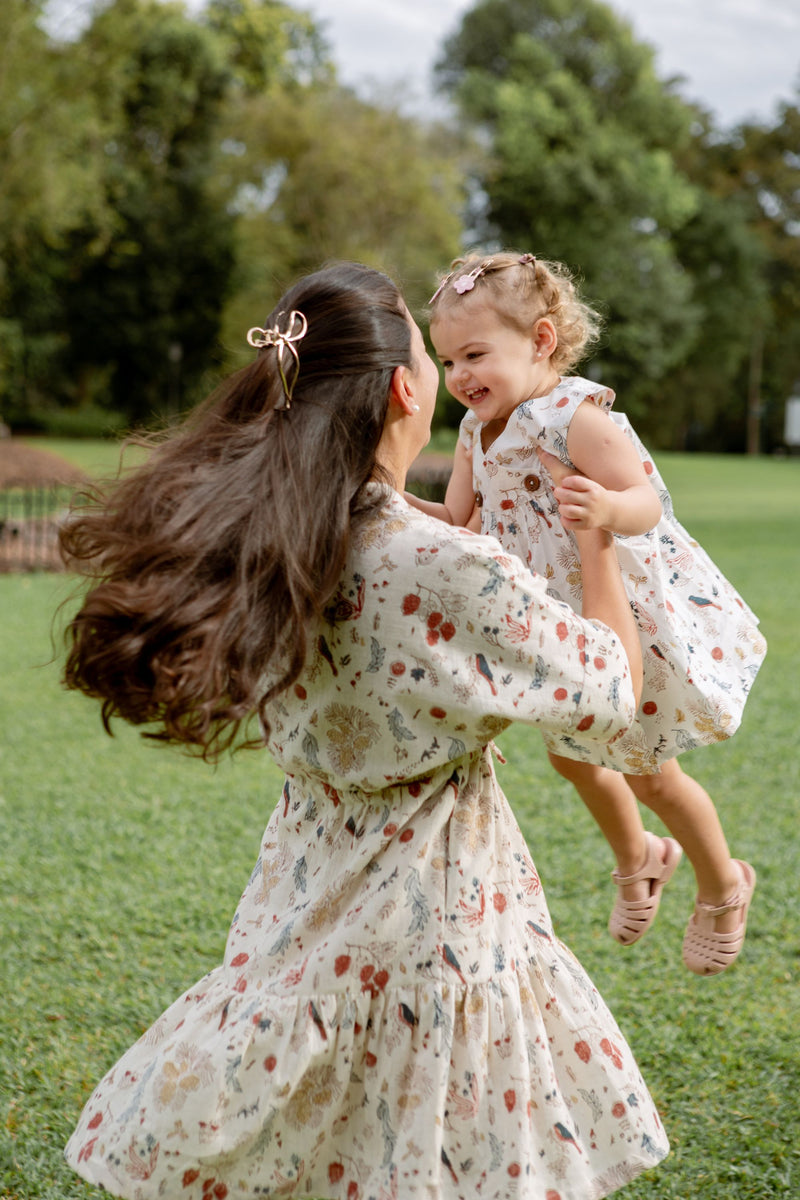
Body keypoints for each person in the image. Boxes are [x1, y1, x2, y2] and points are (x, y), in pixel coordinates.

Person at [61, 261, 669, 1199]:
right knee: (428, 1142)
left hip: (302, 881)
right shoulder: (441, 563)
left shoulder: (267, 539)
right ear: (403, 389)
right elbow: (611, 690)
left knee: (324, 1140)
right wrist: (596, 539)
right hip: (439, 904)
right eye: (433, 356)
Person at [412, 251, 766, 977]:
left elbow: (647, 503)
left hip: (624, 618)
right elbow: (455, 516)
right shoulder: (477, 434)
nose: (460, 378)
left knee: (648, 773)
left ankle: (723, 883)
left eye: (476, 354)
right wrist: (380, 499)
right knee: (570, 758)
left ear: (541, 340)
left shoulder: (576, 417)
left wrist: (606, 507)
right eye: (448, 362)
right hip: (558, 621)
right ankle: (642, 856)